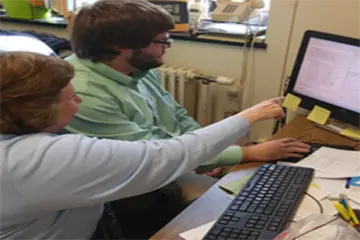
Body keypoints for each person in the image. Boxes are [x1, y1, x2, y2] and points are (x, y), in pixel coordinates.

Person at [62, 0, 310, 238]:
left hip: (166, 163)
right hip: (128, 189)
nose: (167, 46)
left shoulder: (134, 66)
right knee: (235, 211)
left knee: (252, 203)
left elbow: (176, 117)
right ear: (119, 46)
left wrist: (209, 151)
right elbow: (150, 157)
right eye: (161, 41)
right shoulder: (83, 93)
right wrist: (249, 153)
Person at [0, 51, 284, 240]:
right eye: (70, 98)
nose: (79, 102)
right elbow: (160, 158)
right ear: (38, 109)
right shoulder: (27, 159)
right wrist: (250, 116)